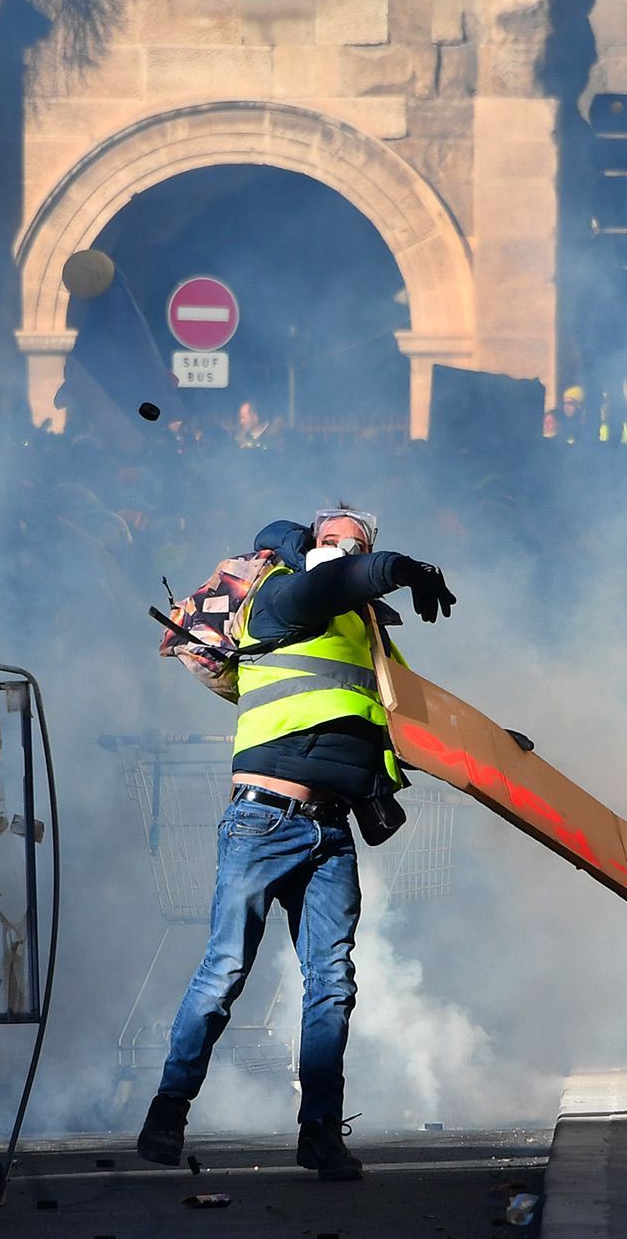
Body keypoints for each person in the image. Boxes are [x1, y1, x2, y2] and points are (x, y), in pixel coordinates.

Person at [135, 506, 456, 1181]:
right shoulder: (283, 598)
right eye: (339, 541)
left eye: (362, 543)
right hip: (264, 821)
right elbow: (332, 585)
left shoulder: (367, 637)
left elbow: (416, 718)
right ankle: (168, 1112)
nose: (350, 551)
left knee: (332, 984)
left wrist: (496, 754)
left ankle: (319, 1135)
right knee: (226, 972)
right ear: (314, 548)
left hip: (331, 829)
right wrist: (398, 569)